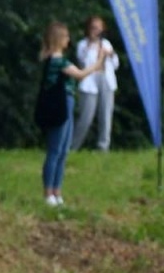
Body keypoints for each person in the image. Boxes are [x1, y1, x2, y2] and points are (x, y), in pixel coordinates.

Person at [36, 21, 105, 207]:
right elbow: (80, 74)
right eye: (66, 36)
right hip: (60, 106)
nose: (69, 40)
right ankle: (48, 191)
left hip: (67, 103)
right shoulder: (58, 62)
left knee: (63, 150)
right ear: (58, 39)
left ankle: (57, 191)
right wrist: (98, 64)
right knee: (55, 149)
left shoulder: (56, 60)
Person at [70, 16, 118, 153]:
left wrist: (110, 54)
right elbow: (82, 62)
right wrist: (91, 47)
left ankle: (103, 147)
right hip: (89, 81)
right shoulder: (83, 45)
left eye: (98, 28)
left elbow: (116, 65)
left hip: (106, 80)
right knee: (86, 117)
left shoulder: (107, 44)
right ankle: (73, 147)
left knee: (106, 115)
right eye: (93, 28)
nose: (95, 31)